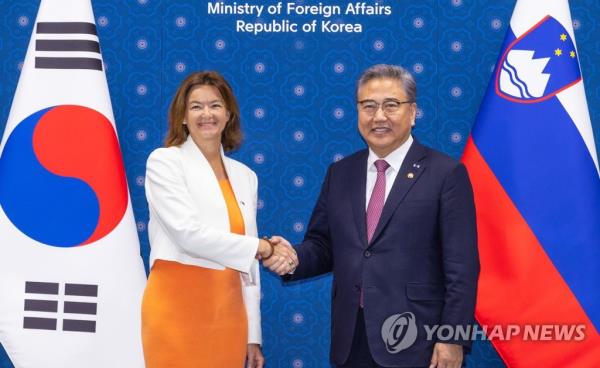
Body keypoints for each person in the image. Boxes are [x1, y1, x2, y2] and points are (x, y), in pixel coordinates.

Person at [266, 64, 479, 368]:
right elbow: (324, 245)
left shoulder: (446, 174)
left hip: (419, 342)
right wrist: (292, 257)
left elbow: (463, 267)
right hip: (352, 338)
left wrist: (453, 337)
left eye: (391, 105)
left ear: (413, 111)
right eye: (368, 106)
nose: (379, 116)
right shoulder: (341, 173)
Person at [141, 71, 297, 368]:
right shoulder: (164, 162)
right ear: (183, 116)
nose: (206, 114)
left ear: (228, 114)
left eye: (215, 105)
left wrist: (253, 335)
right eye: (196, 106)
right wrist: (263, 247)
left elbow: (248, 265)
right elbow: (187, 234)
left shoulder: (245, 176)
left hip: (228, 313)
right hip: (175, 308)